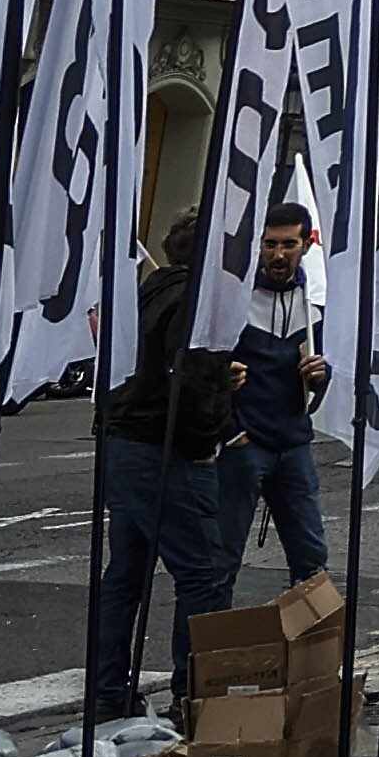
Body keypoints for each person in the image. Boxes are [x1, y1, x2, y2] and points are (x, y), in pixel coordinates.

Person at [90, 214, 246, 718]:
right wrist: (213, 430)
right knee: (203, 575)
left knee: (126, 574)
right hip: (167, 449)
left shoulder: (148, 293)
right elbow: (192, 381)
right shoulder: (193, 303)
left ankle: (109, 692)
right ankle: (193, 694)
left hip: (127, 439)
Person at [224, 203, 331, 586]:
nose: (278, 254)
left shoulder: (315, 301)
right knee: (222, 559)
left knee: (311, 558)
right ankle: (203, 646)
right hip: (245, 442)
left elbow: (325, 370)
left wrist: (321, 373)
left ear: (305, 245)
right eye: (270, 244)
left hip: (293, 442)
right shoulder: (236, 298)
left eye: (288, 244)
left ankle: (310, 645)